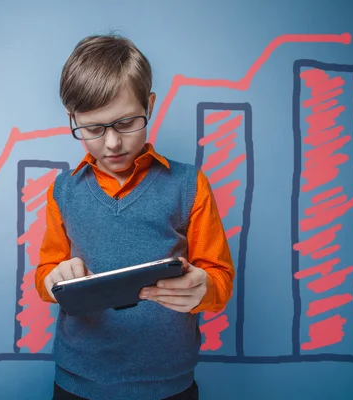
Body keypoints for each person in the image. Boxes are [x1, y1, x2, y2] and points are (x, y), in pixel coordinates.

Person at [35, 33, 235, 400]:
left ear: (150, 105)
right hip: (77, 380)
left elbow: (220, 280)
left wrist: (203, 288)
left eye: (126, 123)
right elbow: (44, 276)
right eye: (93, 128)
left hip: (170, 384)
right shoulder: (62, 191)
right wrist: (53, 281)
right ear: (72, 118)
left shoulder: (189, 184)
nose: (112, 143)